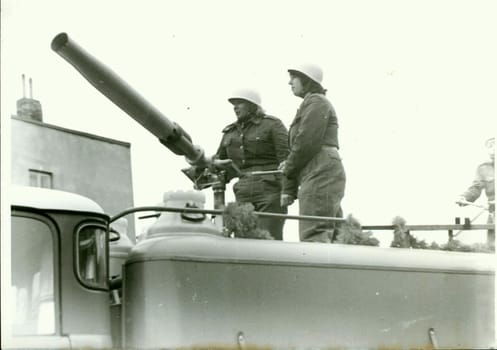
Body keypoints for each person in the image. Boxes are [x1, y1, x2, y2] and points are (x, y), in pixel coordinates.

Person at [280, 64, 346, 243]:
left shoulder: (316, 102)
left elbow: (306, 142)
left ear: (306, 80)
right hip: (318, 167)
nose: (289, 82)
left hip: (320, 167)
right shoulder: (311, 104)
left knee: (314, 235)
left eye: (293, 77)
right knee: (328, 234)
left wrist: (288, 168)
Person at [215, 88, 292, 240]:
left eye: (239, 103)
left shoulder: (272, 124)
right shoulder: (230, 132)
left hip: (270, 190)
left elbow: (287, 160)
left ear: (252, 105)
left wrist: (288, 190)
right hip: (242, 192)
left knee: (269, 239)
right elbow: (219, 162)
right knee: (242, 240)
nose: (235, 107)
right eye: (234, 104)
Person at [456, 137, 495, 247]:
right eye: (490, 146)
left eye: (495, 145)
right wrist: (464, 197)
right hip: (494, 215)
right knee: (491, 248)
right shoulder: (483, 168)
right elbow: (476, 188)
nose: (493, 149)